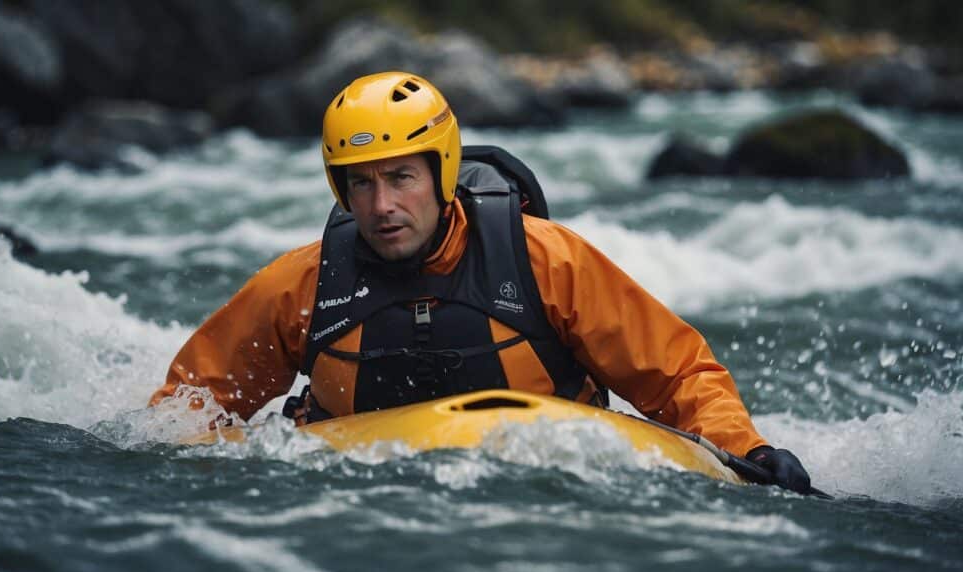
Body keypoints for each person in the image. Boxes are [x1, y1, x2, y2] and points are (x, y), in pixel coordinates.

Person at [149, 71, 812, 493]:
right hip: (356, 505)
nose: (381, 205)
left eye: (401, 177)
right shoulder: (300, 285)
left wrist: (746, 449)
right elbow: (187, 407)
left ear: (440, 172)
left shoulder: (546, 260)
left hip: (542, 502)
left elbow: (677, 375)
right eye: (362, 182)